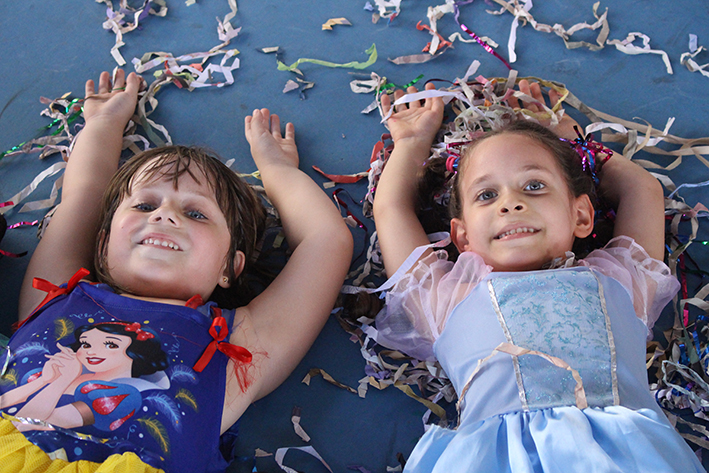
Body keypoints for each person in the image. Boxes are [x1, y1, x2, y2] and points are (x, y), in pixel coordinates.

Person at [0, 69, 353, 472]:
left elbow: (325, 242)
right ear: (102, 245)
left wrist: (276, 169)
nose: (164, 215)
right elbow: (84, 197)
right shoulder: (58, 292)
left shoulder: (240, 345)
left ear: (229, 267)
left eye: (196, 213)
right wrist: (103, 122)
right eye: (144, 205)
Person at [371, 79, 705, 472]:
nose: (511, 203)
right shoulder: (445, 299)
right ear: (463, 237)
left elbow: (642, 190)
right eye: (486, 195)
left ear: (581, 215)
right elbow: (391, 210)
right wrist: (410, 143)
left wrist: (572, 140)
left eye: (534, 186)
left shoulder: (621, 281)